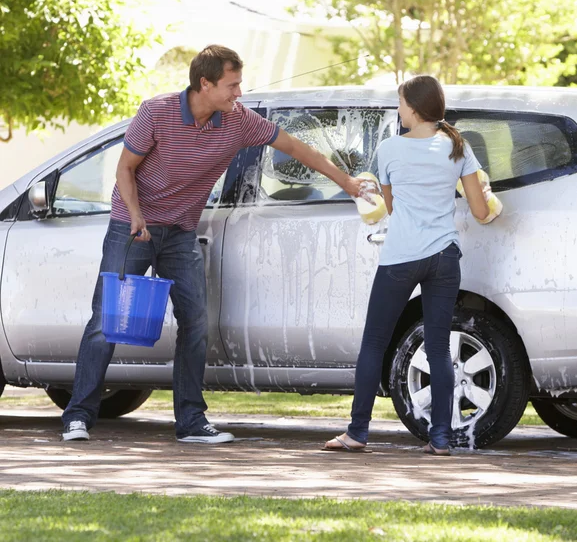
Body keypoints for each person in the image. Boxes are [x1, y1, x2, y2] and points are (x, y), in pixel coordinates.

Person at [62, 44, 365, 443]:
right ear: (204, 84)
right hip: (132, 225)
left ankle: (190, 422)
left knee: (196, 322)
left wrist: (347, 182)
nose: (239, 93)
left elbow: (294, 147)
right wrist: (136, 216)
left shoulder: (238, 121)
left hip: (180, 232)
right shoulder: (156, 112)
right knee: (107, 321)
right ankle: (78, 416)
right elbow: (124, 169)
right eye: (232, 85)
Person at [323, 74, 491, 456]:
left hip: (401, 256)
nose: (398, 110)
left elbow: (393, 206)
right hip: (445, 257)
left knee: (374, 344)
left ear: (413, 109)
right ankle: (441, 439)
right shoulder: (457, 146)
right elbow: (480, 210)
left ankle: (357, 433)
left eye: (400, 104)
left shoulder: (389, 150)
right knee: (437, 348)